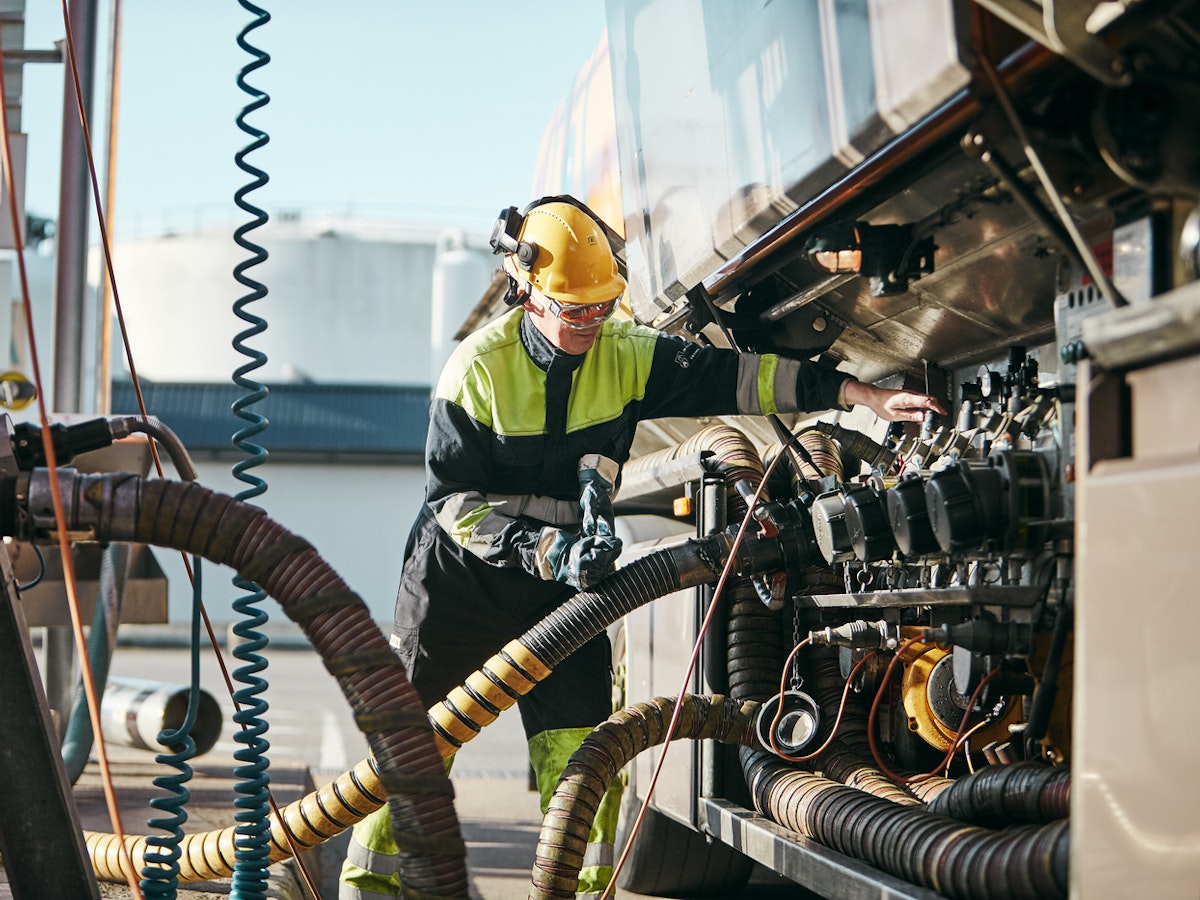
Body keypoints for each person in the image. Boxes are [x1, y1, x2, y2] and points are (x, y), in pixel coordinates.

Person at [339, 197, 946, 899]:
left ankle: (577, 890)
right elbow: (453, 505)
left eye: (600, 309)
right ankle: (372, 891)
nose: (590, 326)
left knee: (584, 757)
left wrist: (852, 393)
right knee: (414, 752)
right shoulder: (475, 372)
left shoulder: (625, 355)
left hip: (564, 583)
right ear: (526, 291)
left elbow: (739, 378)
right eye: (575, 311)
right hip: (460, 581)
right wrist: (545, 550)